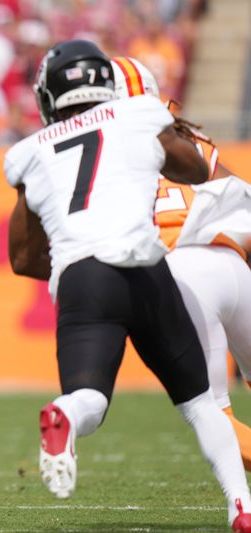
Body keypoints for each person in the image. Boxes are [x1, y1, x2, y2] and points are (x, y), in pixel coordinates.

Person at [4, 39, 251, 531]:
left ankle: (64, 416)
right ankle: (241, 506)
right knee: (201, 402)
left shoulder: (28, 152)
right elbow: (197, 169)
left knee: (90, 399)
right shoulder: (139, 114)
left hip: (84, 276)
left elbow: (24, 257)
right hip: (152, 267)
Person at [112, 56, 251, 470]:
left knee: (214, 416)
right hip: (232, 263)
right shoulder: (184, 139)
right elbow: (240, 197)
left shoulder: (97, 152)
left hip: (181, 277)